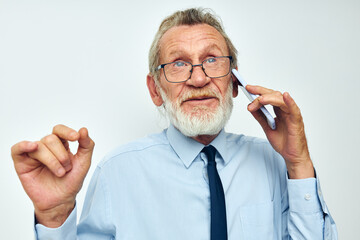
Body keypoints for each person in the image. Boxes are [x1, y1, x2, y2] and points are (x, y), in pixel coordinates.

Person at [11, 8, 337, 240]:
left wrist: (299, 163)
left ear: (235, 82)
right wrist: (54, 217)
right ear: (155, 90)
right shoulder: (117, 173)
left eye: (212, 59)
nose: (198, 78)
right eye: (179, 63)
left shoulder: (275, 164)